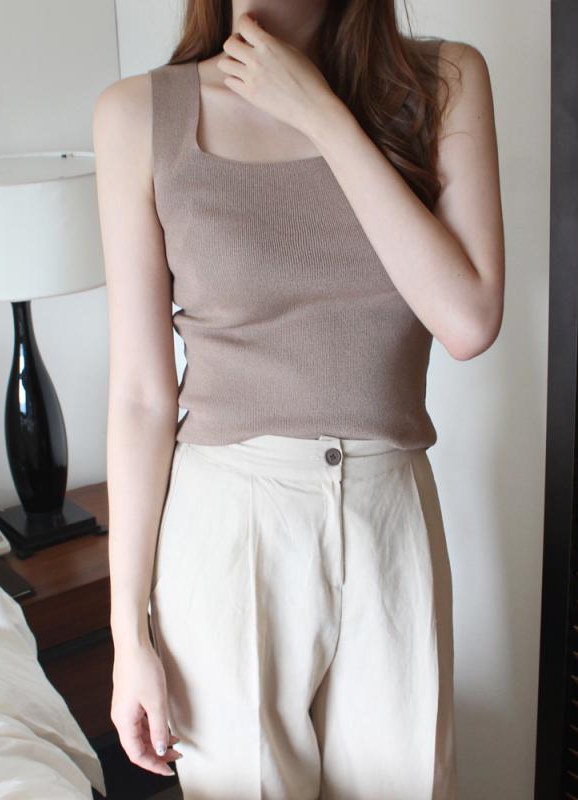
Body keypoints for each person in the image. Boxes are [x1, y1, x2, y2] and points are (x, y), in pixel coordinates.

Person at [93, 1, 503, 797]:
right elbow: (141, 396)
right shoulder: (139, 114)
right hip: (226, 527)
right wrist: (126, 636)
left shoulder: (444, 81)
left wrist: (319, 112)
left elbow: (468, 320)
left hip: (391, 515)